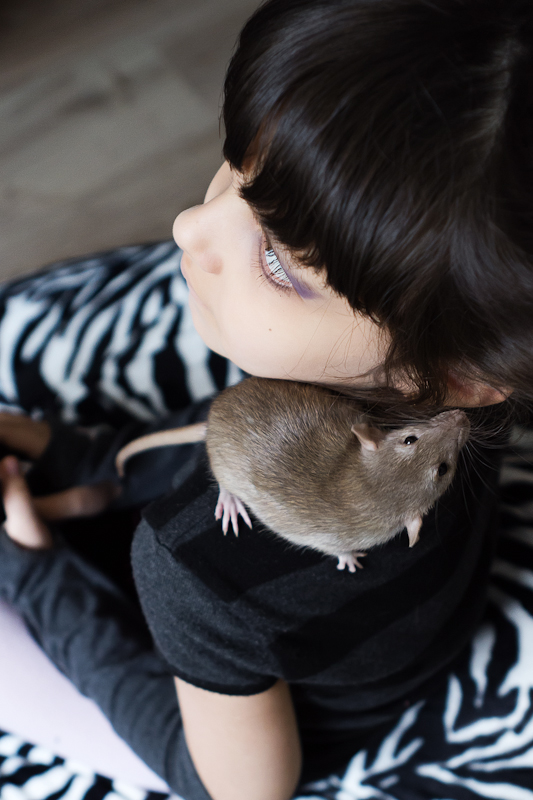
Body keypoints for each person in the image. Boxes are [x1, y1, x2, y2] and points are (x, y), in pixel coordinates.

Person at [0, 1, 532, 798]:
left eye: (279, 262)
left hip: (266, 739)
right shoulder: (469, 383)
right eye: (233, 166)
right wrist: (80, 459)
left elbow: (244, 788)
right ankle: (86, 469)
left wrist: (34, 570)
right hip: (400, 624)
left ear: (459, 374)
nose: (187, 227)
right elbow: (237, 438)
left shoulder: (192, 566)